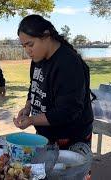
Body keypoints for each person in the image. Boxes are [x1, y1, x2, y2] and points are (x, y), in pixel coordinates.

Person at [13, 14, 95, 150]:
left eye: (30, 44)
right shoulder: (37, 60)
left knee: (69, 172)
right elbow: (34, 87)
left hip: (71, 139)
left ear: (46, 36)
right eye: (24, 46)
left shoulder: (68, 63)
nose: (27, 51)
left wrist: (32, 120)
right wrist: (28, 108)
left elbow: (68, 111)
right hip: (46, 136)